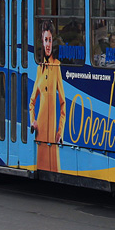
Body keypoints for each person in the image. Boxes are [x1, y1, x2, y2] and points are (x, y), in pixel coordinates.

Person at [29, 20, 67, 173]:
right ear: (42, 42)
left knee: (54, 168)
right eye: (45, 40)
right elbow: (32, 102)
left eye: (50, 40)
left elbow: (63, 103)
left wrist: (60, 132)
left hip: (53, 136)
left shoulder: (56, 66)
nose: (48, 44)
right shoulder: (39, 69)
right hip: (40, 134)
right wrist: (33, 121)